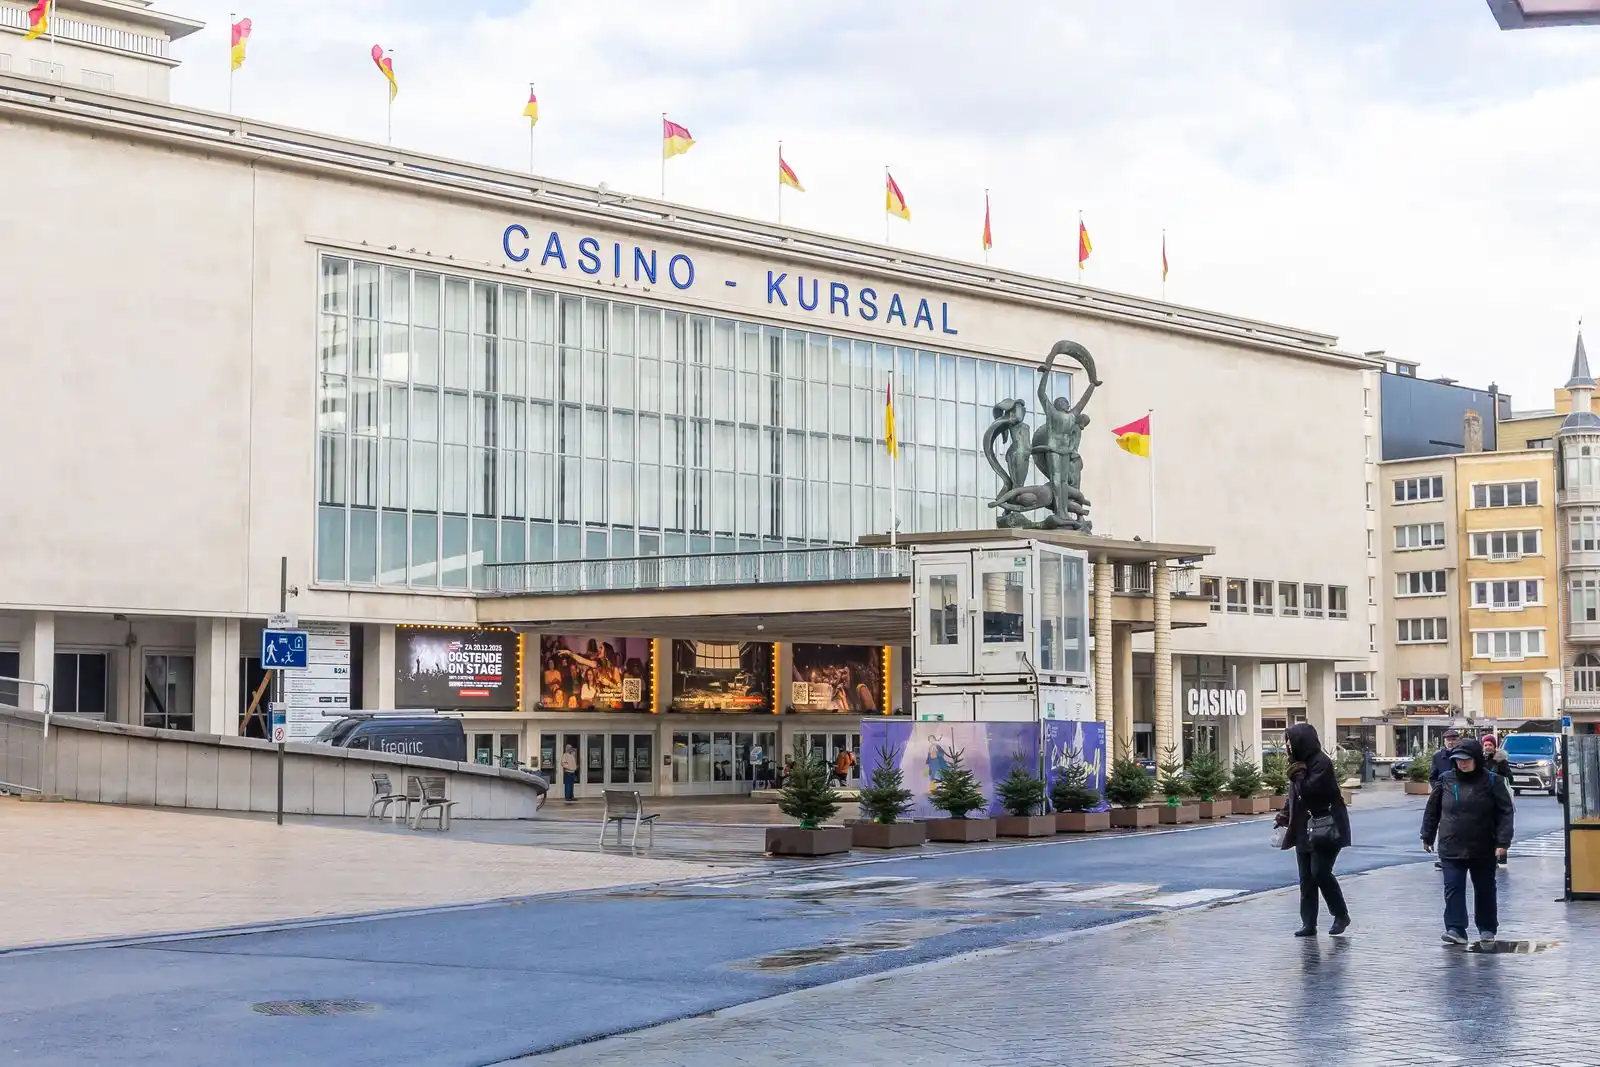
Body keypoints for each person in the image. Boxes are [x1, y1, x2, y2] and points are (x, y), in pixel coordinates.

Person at [1421, 738, 1514, 948]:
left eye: (1466, 760)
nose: (1462, 764)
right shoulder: (1445, 780)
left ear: (1476, 760)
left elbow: (1505, 813)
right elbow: (1432, 810)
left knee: (1485, 889)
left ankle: (1487, 928)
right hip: (1451, 844)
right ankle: (1455, 929)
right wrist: (1427, 835)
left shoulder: (1492, 781)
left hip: (1482, 846)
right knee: (1453, 887)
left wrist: (1503, 842)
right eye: (1458, 760)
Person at [1274, 723, 1352, 937]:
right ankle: (1309, 923)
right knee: (1306, 878)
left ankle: (1341, 914)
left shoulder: (1321, 763)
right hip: (1304, 827)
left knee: (1320, 872)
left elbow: (1310, 791)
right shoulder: (1298, 763)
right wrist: (1284, 814)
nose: (1287, 746)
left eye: (1289, 741)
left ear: (1302, 741)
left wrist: (1299, 776)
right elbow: (1294, 796)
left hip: (1327, 825)